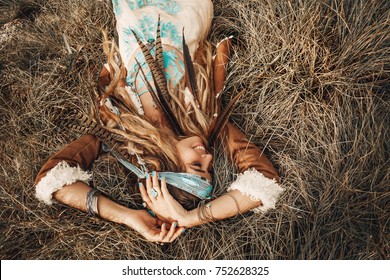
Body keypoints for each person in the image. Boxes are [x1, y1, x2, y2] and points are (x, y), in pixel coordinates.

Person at [34, 0, 284, 244]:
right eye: (209, 168)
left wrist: (128, 217)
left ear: (164, 164)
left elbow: (50, 180)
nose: (208, 156)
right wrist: (193, 217)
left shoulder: (120, 128)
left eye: (197, 166)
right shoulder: (204, 120)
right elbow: (265, 179)